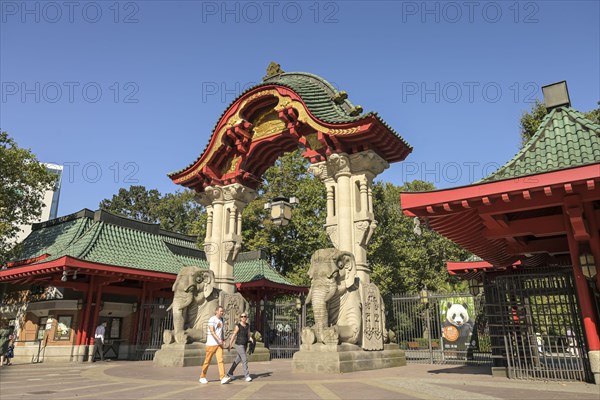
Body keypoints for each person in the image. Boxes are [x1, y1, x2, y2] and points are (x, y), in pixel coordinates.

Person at [199, 306, 231, 384]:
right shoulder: (212, 319)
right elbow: (212, 331)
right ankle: (202, 377)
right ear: (216, 311)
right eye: (220, 311)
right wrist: (218, 339)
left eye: (223, 311)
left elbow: (221, 332)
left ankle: (222, 377)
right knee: (207, 361)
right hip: (211, 344)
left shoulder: (222, 320)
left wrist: (222, 340)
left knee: (220, 360)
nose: (222, 313)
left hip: (219, 345)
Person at [227, 312, 254, 382]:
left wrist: (251, 339)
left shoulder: (248, 326)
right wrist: (230, 344)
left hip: (244, 345)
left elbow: (248, 335)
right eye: (242, 317)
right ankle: (247, 376)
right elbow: (233, 335)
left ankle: (230, 373)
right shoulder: (238, 326)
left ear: (246, 318)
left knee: (238, 359)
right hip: (239, 345)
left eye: (245, 316)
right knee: (244, 359)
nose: (243, 318)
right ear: (240, 318)